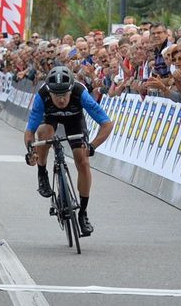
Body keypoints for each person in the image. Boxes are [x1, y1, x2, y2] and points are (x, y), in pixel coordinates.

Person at [24, 65, 115, 237]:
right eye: (56, 95)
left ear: (71, 90)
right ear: (49, 92)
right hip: (50, 118)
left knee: (82, 160)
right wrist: (30, 150)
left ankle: (83, 213)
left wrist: (93, 146)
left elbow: (107, 124)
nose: (60, 99)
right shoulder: (42, 95)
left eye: (64, 95)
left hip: (75, 120)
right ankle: (42, 172)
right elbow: (30, 131)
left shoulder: (80, 92)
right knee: (43, 133)